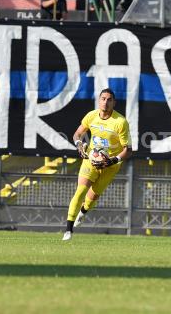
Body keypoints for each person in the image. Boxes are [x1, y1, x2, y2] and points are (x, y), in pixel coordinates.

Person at [62, 88, 132, 241]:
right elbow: (77, 134)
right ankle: (68, 229)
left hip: (110, 165)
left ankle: (83, 211)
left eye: (109, 100)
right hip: (91, 159)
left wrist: (112, 160)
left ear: (114, 102)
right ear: (99, 100)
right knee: (80, 191)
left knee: (92, 197)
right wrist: (79, 144)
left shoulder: (120, 122)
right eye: (103, 99)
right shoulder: (91, 116)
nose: (105, 102)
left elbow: (128, 150)